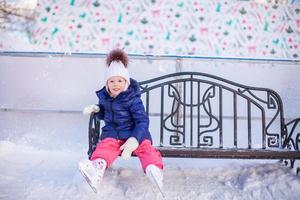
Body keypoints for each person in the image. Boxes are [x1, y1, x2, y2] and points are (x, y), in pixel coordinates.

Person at [78, 49, 164, 192]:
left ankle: (154, 169)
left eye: (119, 80)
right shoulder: (106, 97)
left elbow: (142, 121)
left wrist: (134, 139)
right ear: (107, 84)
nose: (115, 84)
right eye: (111, 81)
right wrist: (97, 109)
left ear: (126, 82)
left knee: (146, 149)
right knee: (105, 147)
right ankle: (97, 168)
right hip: (113, 134)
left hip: (135, 134)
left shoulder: (132, 99)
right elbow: (106, 113)